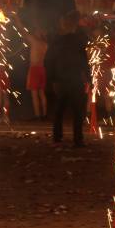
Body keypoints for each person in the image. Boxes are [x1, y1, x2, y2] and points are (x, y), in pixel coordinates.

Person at [45, 11, 90, 147]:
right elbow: (84, 61)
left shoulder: (57, 41)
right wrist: (88, 78)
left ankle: (57, 137)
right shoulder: (78, 41)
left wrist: (51, 79)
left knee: (59, 110)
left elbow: (48, 61)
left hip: (61, 80)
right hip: (74, 80)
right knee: (77, 111)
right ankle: (78, 139)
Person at [13, 14, 49, 119]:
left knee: (34, 94)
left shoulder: (35, 41)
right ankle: (45, 114)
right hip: (42, 69)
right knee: (41, 93)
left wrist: (17, 19)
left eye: (36, 31)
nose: (34, 32)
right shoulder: (45, 44)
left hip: (34, 69)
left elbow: (23, 31)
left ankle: (38, 115)